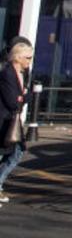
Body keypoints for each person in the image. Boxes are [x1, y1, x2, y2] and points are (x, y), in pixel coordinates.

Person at [0, 41, 33, 202]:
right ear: (18, 57)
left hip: (12, 120)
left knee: (16, 152)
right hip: (5, 120)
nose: (29, 61)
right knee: (14, 152)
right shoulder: (7, 73)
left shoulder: (21, 73)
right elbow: (13, 101)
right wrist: (25, 96)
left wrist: (22, 97)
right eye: (27, 57)